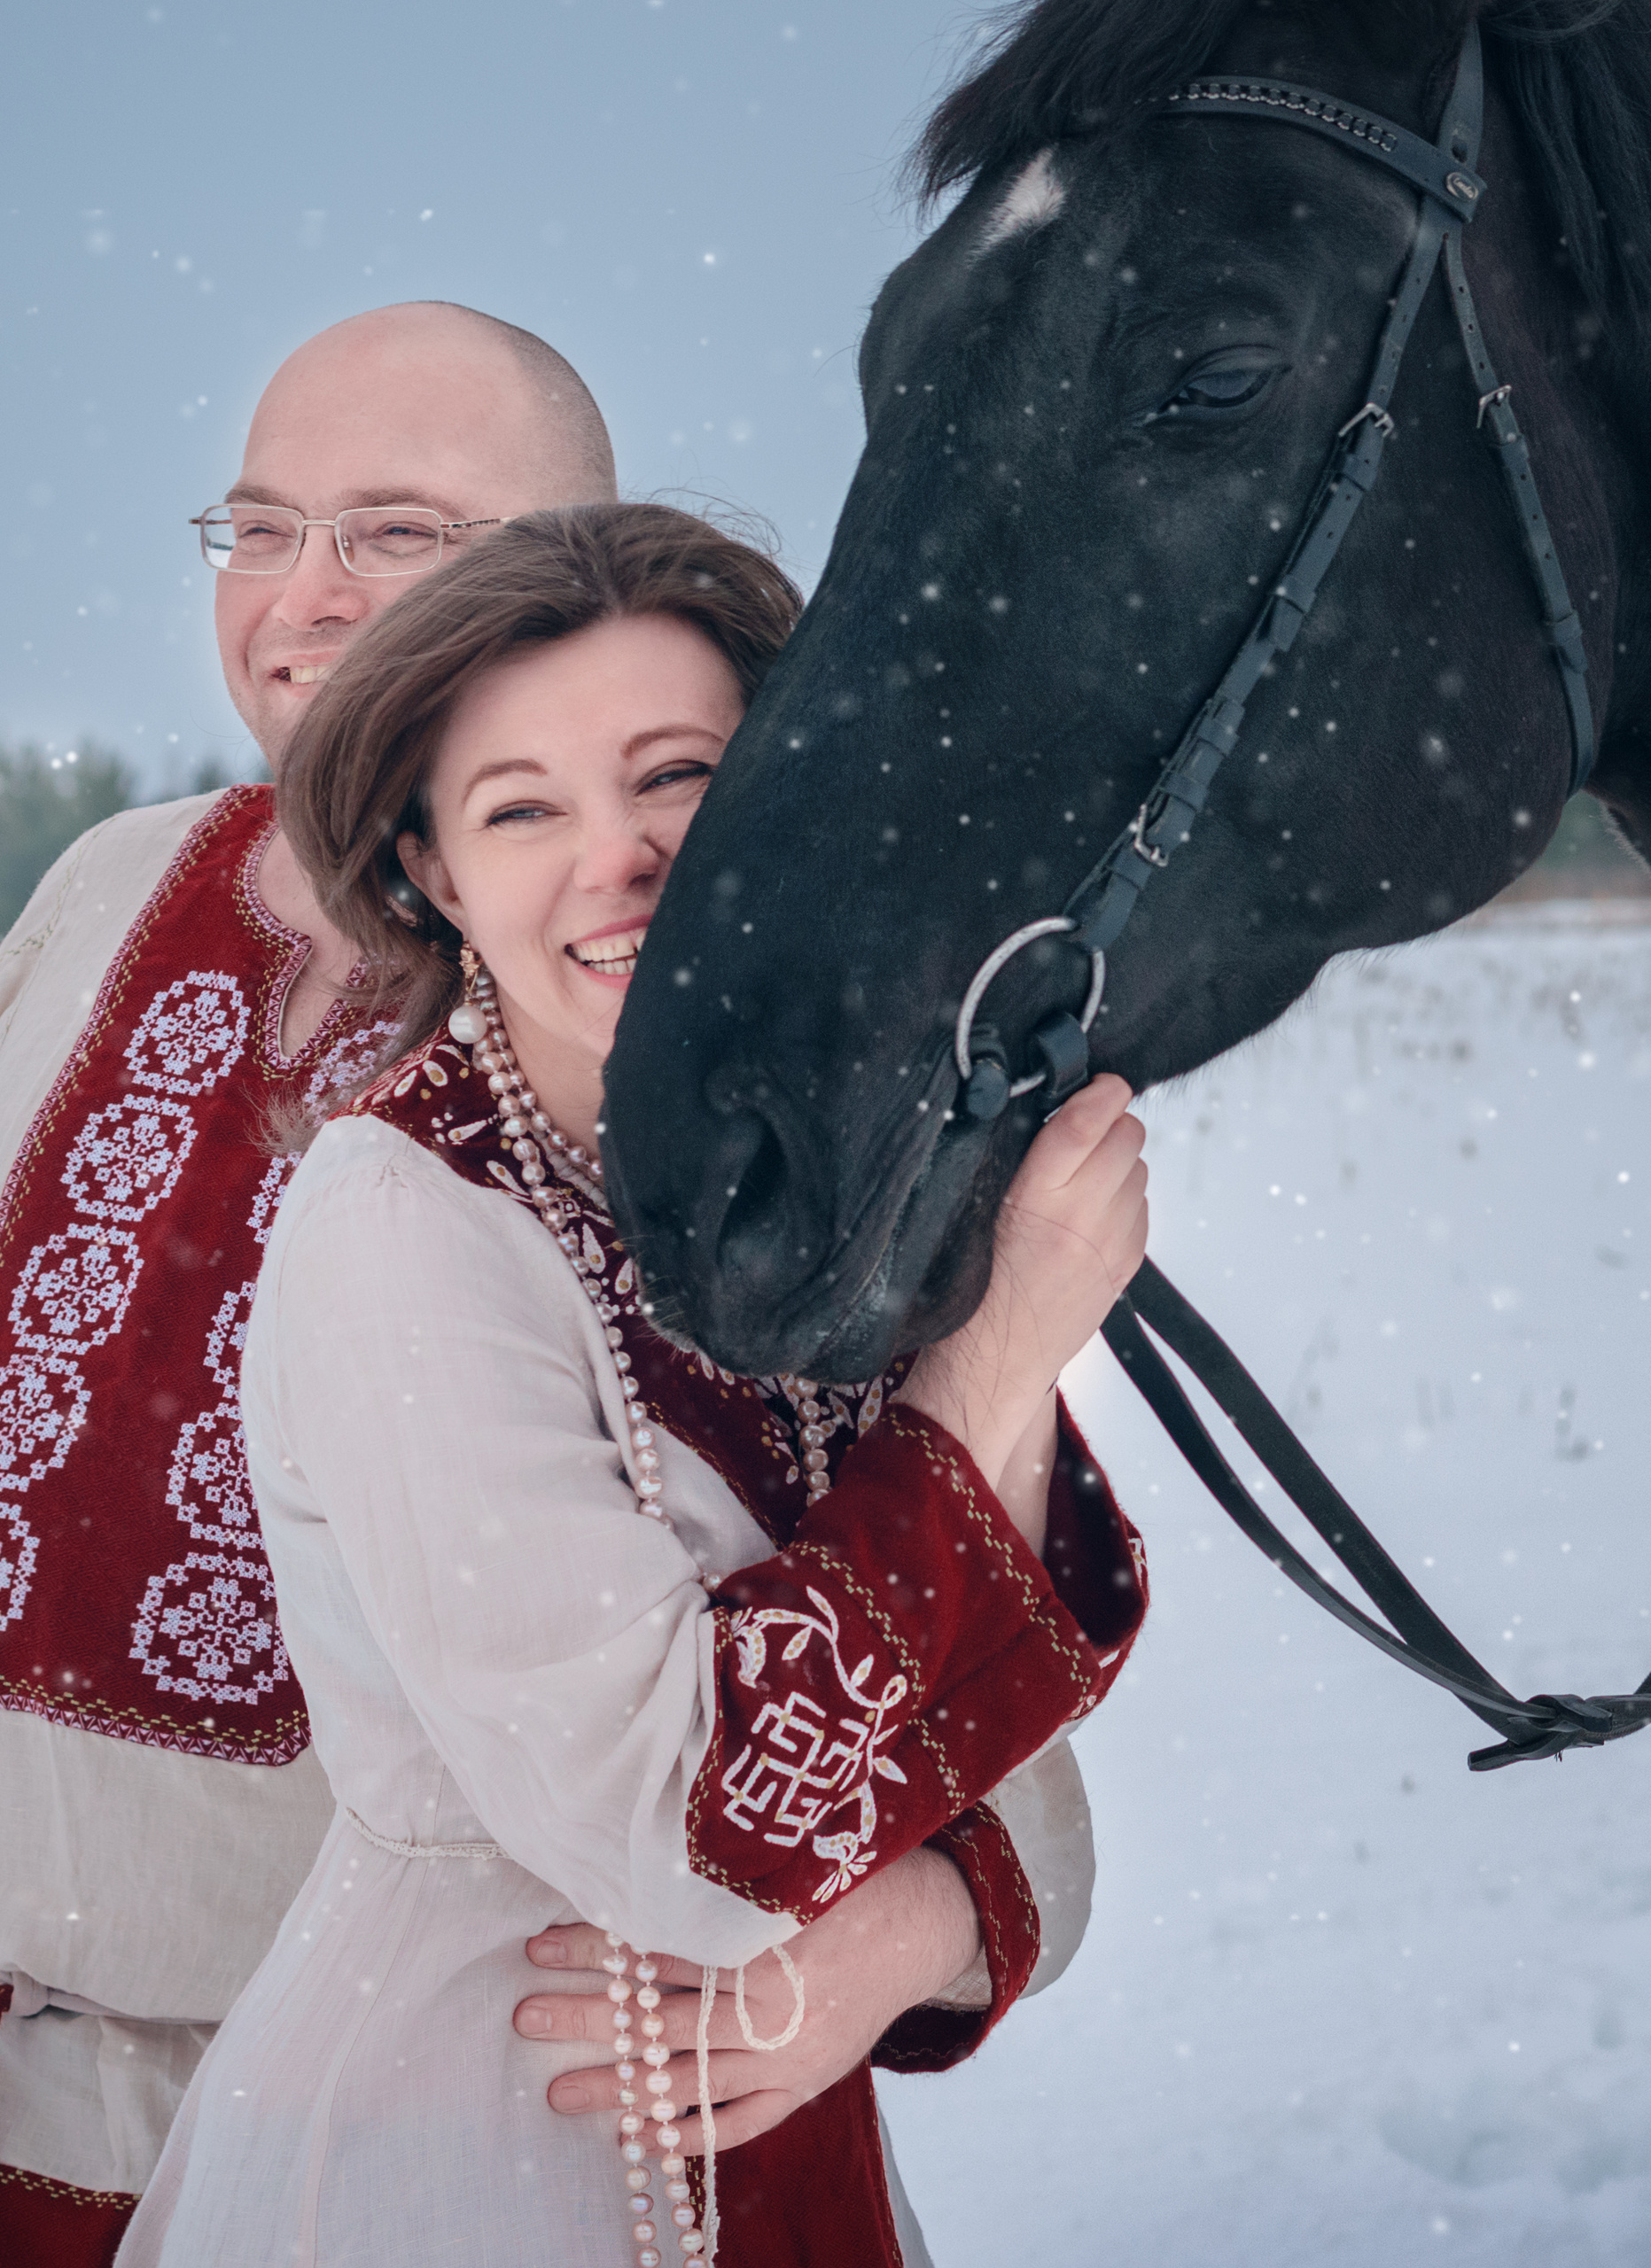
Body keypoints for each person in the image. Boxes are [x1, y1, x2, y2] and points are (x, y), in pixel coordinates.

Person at [0, 303, 1110, 2264]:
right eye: (260, 527)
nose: (303, 595)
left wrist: (899, 1932)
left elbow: (942, 1641)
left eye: (393, 532)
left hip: (441, 2126)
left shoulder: (709, 1074)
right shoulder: (104, 890)